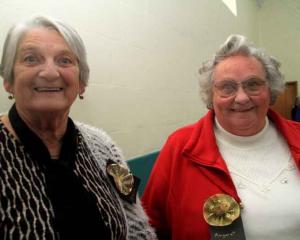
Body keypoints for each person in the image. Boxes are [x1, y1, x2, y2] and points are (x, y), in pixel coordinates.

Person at [0, 15, 156, 240]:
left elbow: (139, 229)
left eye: (64, 61)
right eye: (31, 58)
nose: (50, 72)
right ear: (8, 79)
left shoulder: (104, 147)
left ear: (81, 83)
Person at [142, 34, 300, 240]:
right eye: (227, 87)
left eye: (253, 84)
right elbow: (149, 225)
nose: (242, 98)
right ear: (211, 95)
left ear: (270, 90)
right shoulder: (180, 147)